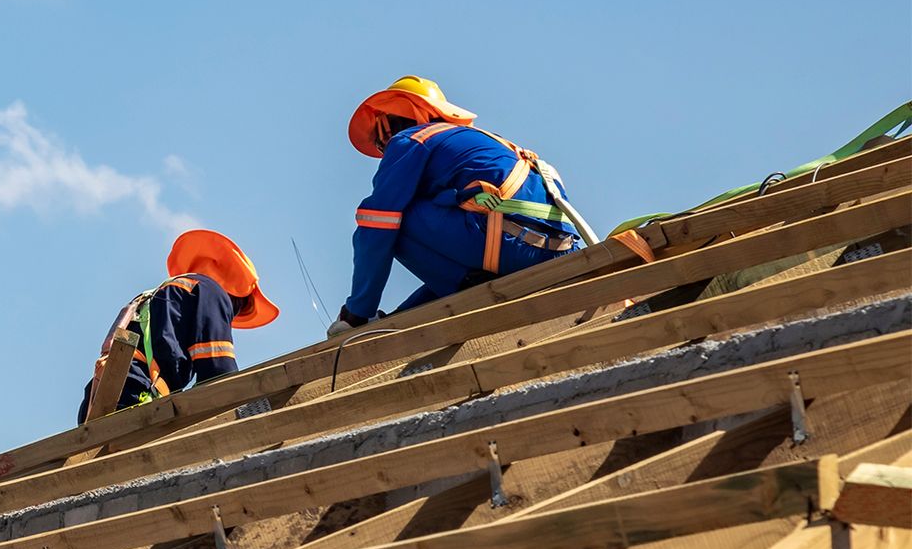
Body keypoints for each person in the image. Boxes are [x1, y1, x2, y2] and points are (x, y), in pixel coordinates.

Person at [329, 76, 591, 335]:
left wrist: (358, 314)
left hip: (508, 247)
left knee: (390, 218)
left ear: (389, 122)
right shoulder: (479, 143)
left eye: (379, 139)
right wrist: (394, 322)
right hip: (552, 251)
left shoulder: (412, 139)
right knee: (420, 216)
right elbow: (461, 278)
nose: (382, 148)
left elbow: (377, 225)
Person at [79, 229, 278, 423]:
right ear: (236, 293)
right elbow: (219, 373)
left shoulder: (161, 293)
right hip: (137, 396)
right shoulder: (211, 292)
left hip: (97, 401)